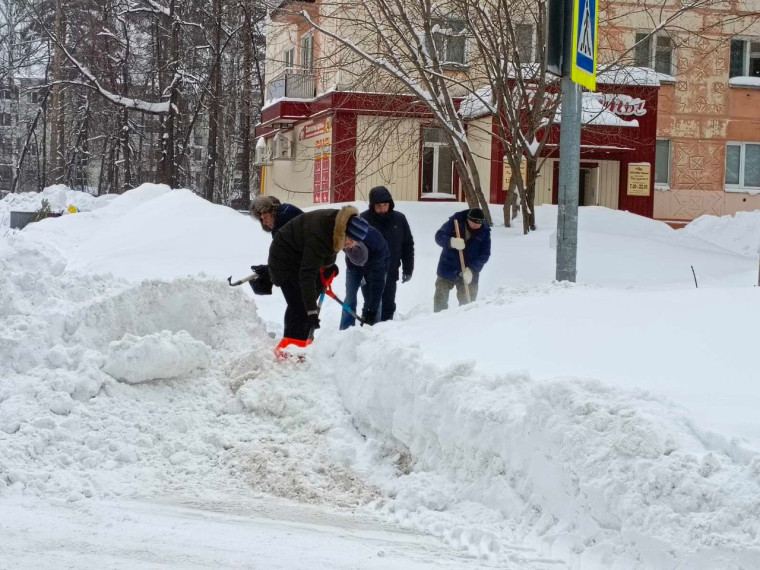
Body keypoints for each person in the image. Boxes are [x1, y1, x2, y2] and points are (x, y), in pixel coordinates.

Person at [268, 205, 368, 342]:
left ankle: (295, 344)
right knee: (299, 307)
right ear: (343, 232)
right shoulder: (323, 234)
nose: (351, 245)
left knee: (300, 307)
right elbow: (307, 274)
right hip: (284, 259)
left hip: (299, 256)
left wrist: (328, 266)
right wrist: (312, 311)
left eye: (355, 242)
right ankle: (292, 349)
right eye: (350, 240)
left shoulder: (339, 225)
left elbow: (328, 251)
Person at [360, 186, 414, 322]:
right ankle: (368, 330)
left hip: (391, 270)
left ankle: (386, 329)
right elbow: (354, 248)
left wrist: (408, 269)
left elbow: (407, 245)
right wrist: (358, 272)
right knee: (371, 304)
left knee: (388, 304)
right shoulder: (363, 220)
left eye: (385, 205)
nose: (383, 208)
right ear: (372, 205)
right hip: (369, 272)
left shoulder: (399, 219)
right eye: (379, 205)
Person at [434, 207, 491, 312]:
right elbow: (439, 236)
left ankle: (465, 325)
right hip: (448, 267)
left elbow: (484, 254)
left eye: (478, 223)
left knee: (468, 306)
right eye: (473, 222)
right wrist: (451, 242)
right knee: (440, 301)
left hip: (468, 273)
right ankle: (438, 323)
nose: (475, 225)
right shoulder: (455, 222)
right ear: (467, 219)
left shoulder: (485, 232)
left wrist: (472, 270)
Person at [339, 217, 390, 329]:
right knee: (350, 297)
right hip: (353, 266)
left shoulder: (377, 250)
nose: (347, 245)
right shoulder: (344, 239)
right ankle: (344, 331)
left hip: (377, 263)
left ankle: (373, 330)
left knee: (374, 298)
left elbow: (377, 286)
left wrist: (370, 312)